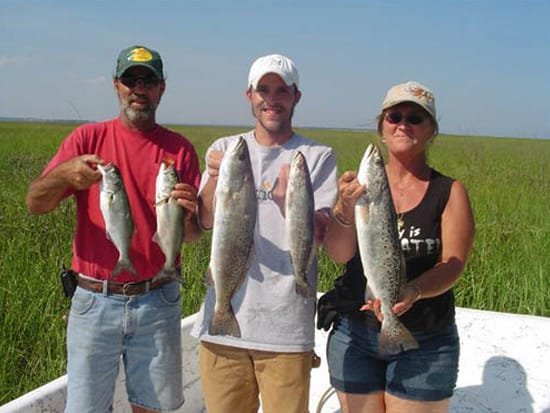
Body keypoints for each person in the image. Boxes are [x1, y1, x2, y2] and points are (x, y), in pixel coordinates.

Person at [25, 45, 202, 413]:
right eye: (130, 80)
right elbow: (34, 203)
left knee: (154, 408)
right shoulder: (86, 141)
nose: (139, 88)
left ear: (162, 88)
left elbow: (193, 234)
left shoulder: (180, 150)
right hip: (94, 300)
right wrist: (63, 174)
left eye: (148, 80)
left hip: (158, 297)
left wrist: (187, 215)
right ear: (116, 86)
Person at [190, 54, 338, 413]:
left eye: (281, 90)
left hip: (286, 330)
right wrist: (213, 178)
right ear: (249, 95)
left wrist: (292, 204)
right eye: (263, 90)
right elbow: (207, 221)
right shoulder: (225, 149)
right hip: (221, 327)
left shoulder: (317, 156)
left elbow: (320, 236)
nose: (272, 99)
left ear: (295, 97)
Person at [320, 81, 475, 413]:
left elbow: (453, 262)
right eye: (394, 116)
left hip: (427, 340)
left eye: (415, 118)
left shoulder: (449, 191)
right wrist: (345, 210)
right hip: (355, 333)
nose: (403, 123)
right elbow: (339, 255)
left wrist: (414, 290)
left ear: (431, 130)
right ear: (382, 126)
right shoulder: (356, 191)